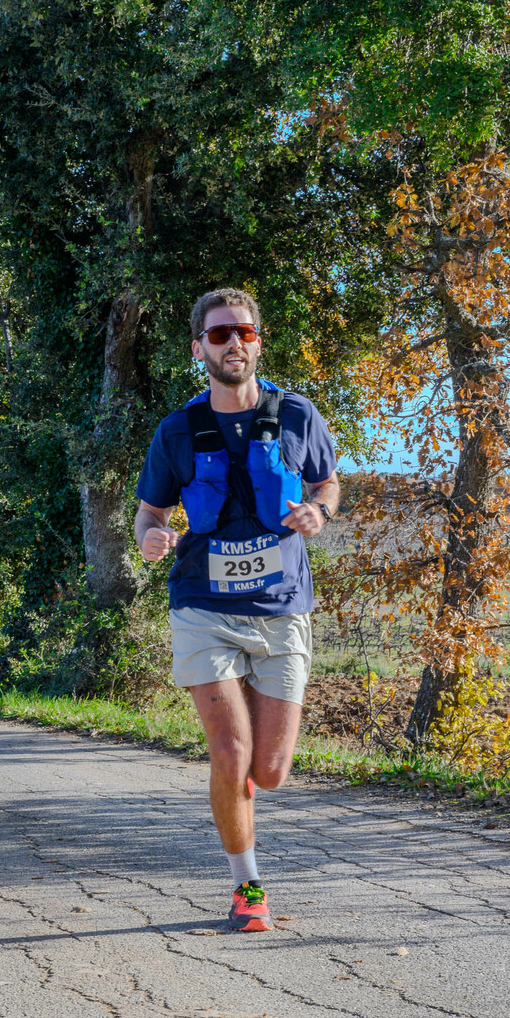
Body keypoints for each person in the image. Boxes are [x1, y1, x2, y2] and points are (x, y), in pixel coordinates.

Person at [134, 288, 339, 931]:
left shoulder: (297, 414)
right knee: (230, 753)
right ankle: (247, 888)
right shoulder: (176, 431)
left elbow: (327, 482)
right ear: (199, 348)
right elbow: (149, 515)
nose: (233, 344)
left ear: (258, 341)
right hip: (204, 607)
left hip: (281, 607)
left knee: (268, 771)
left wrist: (319, 510)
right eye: (219, 334)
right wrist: (151, 539)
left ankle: (244, 788)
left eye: (243, 333)